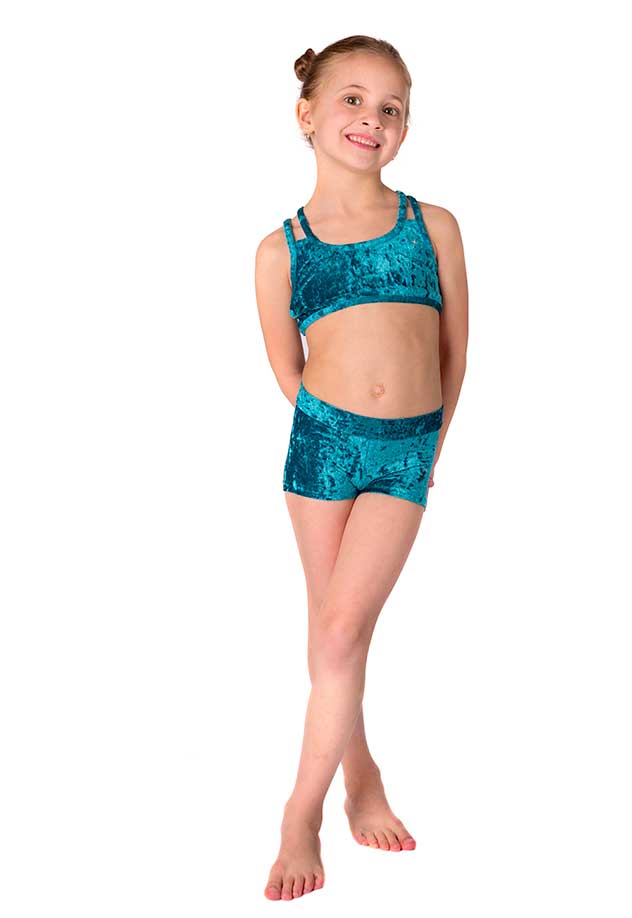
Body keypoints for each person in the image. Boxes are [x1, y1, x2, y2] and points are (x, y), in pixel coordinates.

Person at [254, 35, 469, 901]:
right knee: (332, 635)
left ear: (405, 127)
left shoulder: (432, 225)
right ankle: (360, 777)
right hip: (323, 449)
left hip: (406, 450)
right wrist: (334, 419)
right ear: (306, 114)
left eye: (391, 107)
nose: (371, 118)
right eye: (352, 99)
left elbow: (454, 352)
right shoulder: (282, 249)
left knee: (341, 632)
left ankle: (299, 812)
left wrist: (427, 447)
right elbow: (288, 371)